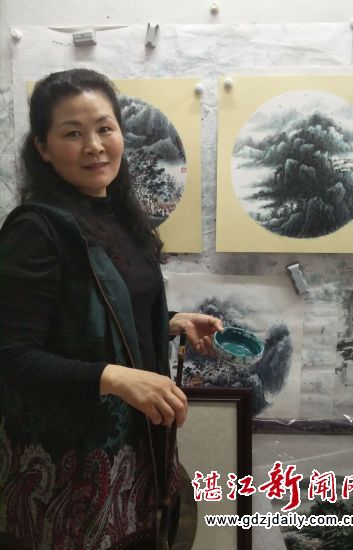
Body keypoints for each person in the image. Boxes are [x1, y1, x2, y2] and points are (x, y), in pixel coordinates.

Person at [0, 68, 223, 550]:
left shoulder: (117, 216)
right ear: (42, 147)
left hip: (135, 455)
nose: (94, 146)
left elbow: (95, 312)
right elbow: (12, 356)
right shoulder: (35, 231)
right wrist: (115, 377)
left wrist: (169, 323)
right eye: (72, 133)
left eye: (105, 128)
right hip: (70, 471)